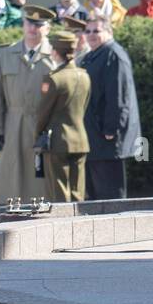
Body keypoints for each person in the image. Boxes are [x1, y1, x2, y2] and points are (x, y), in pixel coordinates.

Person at [0, 4, 56, 203]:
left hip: (44, 126)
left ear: (47, 28)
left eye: (39, 25)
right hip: (13, 125)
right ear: (23, 25)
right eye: (29, 23)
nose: (33, 29)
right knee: (12, 181)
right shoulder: (5, 54)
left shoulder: (55, 56)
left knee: (41, 181)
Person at [77, 13, 141, 199]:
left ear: (108, 31)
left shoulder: (113, 54)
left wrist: (111, 128)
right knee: (95, 195)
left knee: (111, 195)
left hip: (107, 137)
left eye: (96, 30)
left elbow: (119, 96)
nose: (91, 35)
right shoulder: (93, 55)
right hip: (94, 135)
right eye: (87, 31)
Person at [34, 28, 90, 203]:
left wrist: (37, 134)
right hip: (80, 140)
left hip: (58, 140)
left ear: (56, 52)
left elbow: (43, 113)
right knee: (77, 191)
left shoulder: (53, 79)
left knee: (59, 191)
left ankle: (63, 227)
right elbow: (84, 107)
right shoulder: (85, 76)